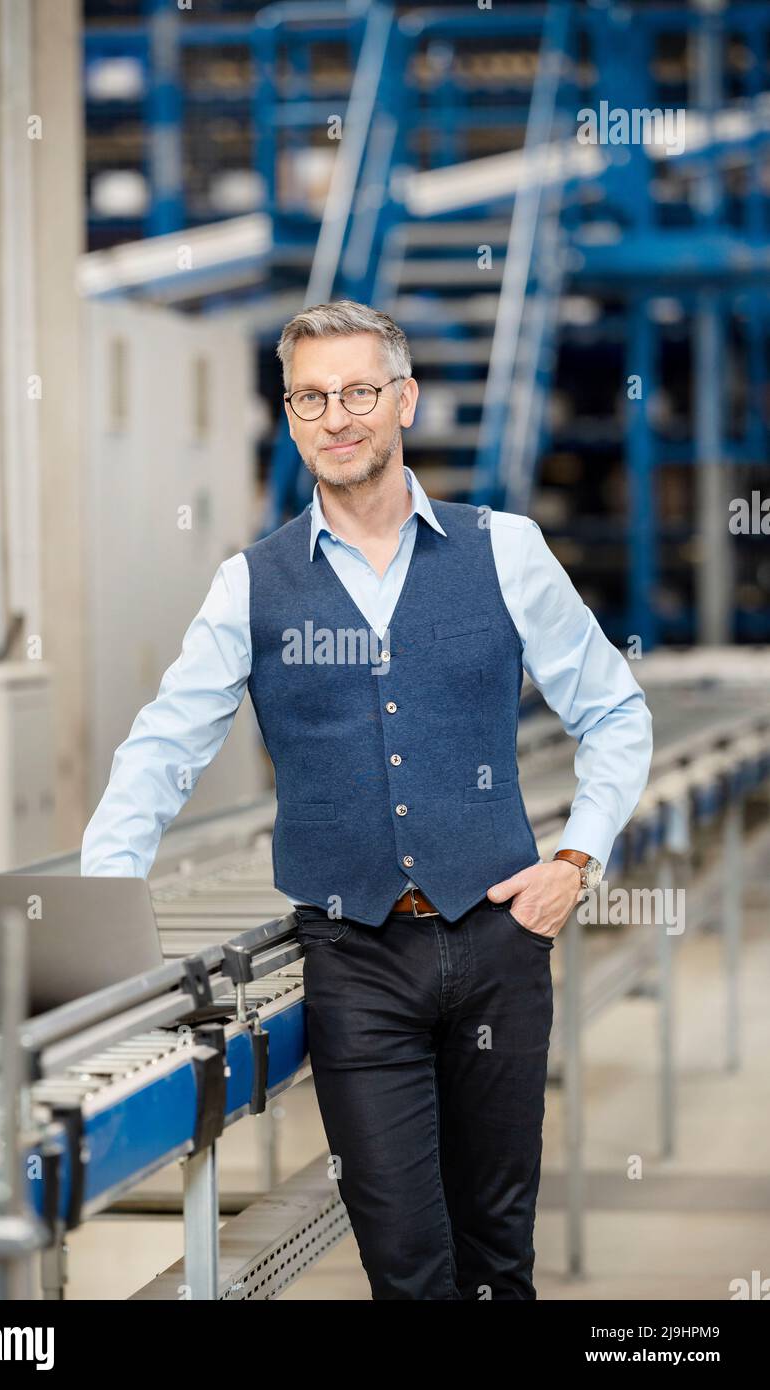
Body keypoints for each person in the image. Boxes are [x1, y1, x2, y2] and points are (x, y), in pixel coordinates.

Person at [82, 299, 653, 1300]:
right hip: (354, 961)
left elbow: (615, 712)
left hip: (498, 945)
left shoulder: (504, 550)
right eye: (312, 396)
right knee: (406, 1262)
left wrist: (575, 862)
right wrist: (99, 920)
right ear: (292, 416)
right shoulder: (250, 586)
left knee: (496, 1252)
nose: (336, 416)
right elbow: (160, 751)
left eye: (358, 391)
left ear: (404, 400)